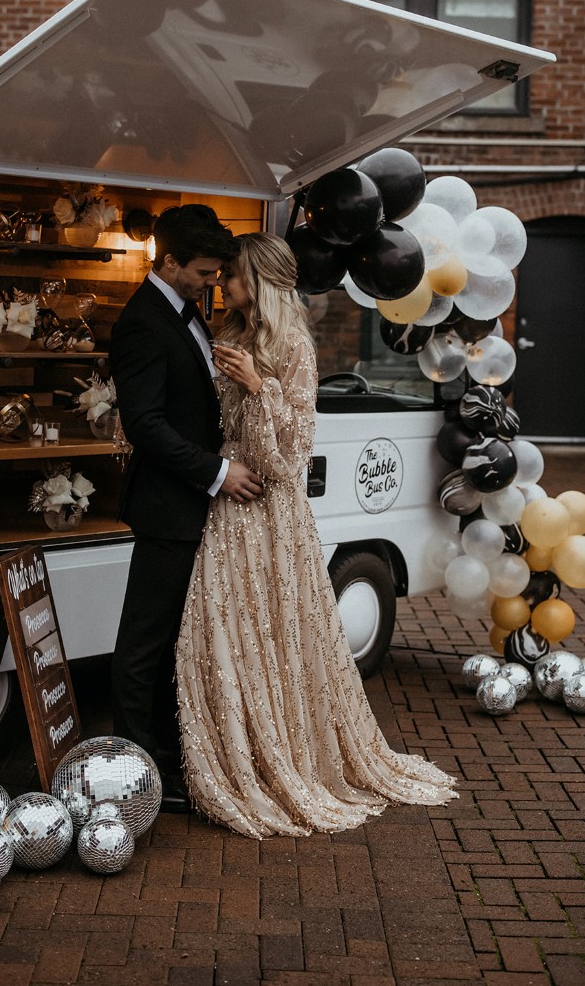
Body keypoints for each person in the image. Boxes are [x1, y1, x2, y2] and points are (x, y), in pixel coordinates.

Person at [176, 232, 457, 837]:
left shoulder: (296, 347)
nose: (222, 285)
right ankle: (235, 755)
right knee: (221, 635)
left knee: (276, 636)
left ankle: (282, 762)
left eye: (233, 276)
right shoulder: (229, 334)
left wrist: (260, 386)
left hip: (272, 514)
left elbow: (290, 461)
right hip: (229, 505)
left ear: (260, 281)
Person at [109, 205, 262, 813]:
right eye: (202, 272)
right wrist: (219, 473)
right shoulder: (144, 323)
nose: (212, 282)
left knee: (177, 638)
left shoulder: (187, 312)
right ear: (168, 262)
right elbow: (143, 425)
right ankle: (139, 768)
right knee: (144, 643)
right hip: (169, 508)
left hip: (189, 508)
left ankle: (168, 758)